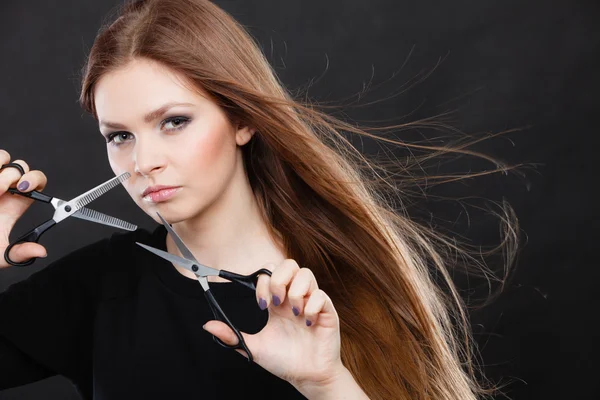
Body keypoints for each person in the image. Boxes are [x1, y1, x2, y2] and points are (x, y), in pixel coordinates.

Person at [0, 0, 518, 399]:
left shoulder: (347, 285)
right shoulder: (96, 287)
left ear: (243, 120)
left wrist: (326, 383)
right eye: (119, 136)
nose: (142, 162)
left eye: (174, 122)